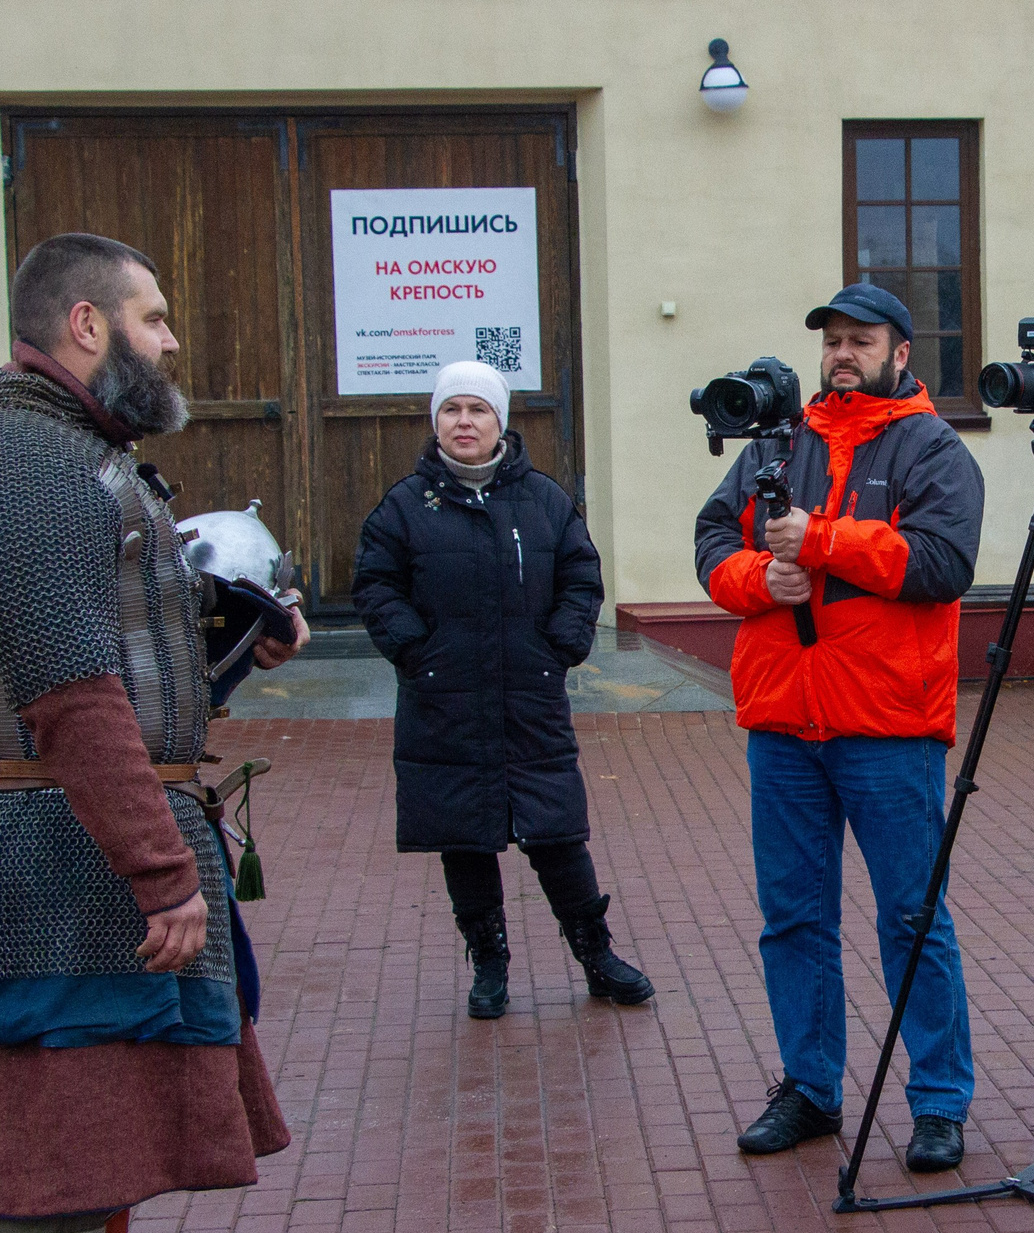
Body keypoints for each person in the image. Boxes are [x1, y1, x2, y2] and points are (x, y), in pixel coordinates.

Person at [0, 231, 307, 1233]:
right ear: (85, 326)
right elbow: (72, 699)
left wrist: (238, 652)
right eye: (153, 316)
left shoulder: (84, 456)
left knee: (108, 1117)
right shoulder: (22, 465)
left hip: (81, 847)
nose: (173, 340)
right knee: (53, 1144)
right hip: (46, 860)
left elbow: (134, 670)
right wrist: (160, 871)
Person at [693, 284, 985, 1171]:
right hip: (784, 720)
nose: (842, 354)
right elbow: (713, 536)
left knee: (912, 914)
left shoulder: (933, 447)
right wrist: (754, 578)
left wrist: (820, 541)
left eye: (862, 341)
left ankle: (939, 1101)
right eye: (833, 342)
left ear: (902, 354)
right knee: (794, 917)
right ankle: (811, 1088)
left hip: (887, 724)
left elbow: (942, 563)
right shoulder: (780, 441)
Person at [353, 359, 655, 1019]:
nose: (465, 421)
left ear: (501, 422)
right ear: (435, 421)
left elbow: (581, 575)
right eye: (452, 409)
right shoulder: (405, 506)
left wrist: (563, 642)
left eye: (478, 409)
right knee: (465, 835)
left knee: (557, 833)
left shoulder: (543, 500)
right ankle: (488, 963)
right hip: (444, 701)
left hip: (529, 697)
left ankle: (596, 954)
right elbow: (375, 584)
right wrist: (414, 648)